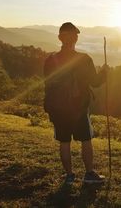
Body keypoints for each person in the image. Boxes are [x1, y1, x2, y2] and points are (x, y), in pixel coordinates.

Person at [43, 22, 107, 185]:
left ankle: (69, 176)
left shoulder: (51, 60)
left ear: (60, 38)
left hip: (58, 108)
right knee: (86, 140)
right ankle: (89, 174)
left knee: (64, 142)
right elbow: (95, 83)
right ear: (76, 39)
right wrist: (104, 73)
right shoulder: (84, 59)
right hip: (79, 108)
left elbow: (47, 82)